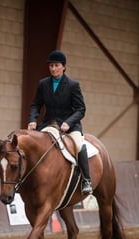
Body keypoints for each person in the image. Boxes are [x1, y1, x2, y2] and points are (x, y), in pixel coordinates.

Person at [27, 50, 92, 195]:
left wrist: (69, 122)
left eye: (56, 65)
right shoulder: (43, 84)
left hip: (69, 125)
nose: (53, 68)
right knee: (33, 144)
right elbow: (36, 104)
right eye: (51, 66)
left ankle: (86, 180)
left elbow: (81, 109)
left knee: (79, 144)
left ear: (64, 67)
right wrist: (32, 120)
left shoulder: (73, 85)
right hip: (48, 124)